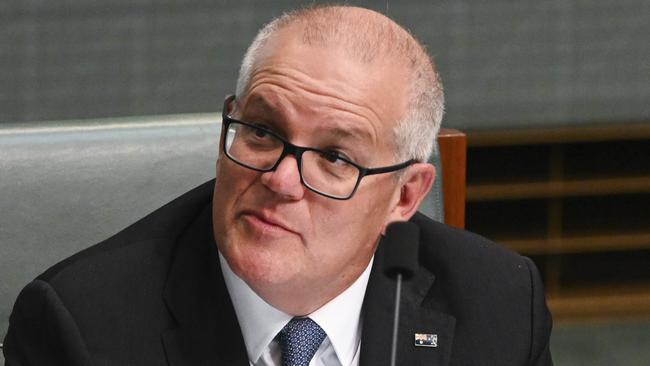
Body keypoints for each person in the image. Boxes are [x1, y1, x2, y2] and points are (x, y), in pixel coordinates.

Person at [3, 5, 552, 366]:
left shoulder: (500, 302)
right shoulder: (80, 328)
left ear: (406, 195)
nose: (283, 180)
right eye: (263, 132)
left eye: (335, 157)